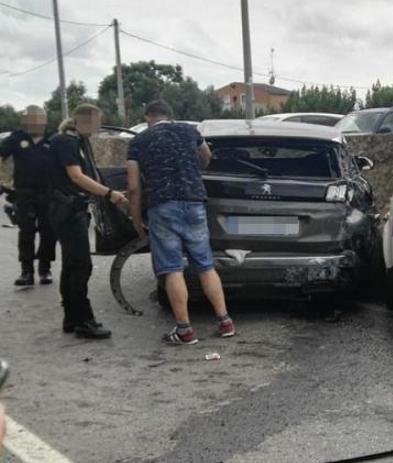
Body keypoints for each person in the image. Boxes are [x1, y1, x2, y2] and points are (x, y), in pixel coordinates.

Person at [127, 100, 235, 345]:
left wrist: (135, 220)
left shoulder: (138, 142)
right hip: (194, 202)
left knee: (172, 269)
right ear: (170, 115)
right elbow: (206, 157)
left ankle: (185, 330)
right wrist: (192, 169)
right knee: (205, 264)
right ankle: (225, 321)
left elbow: (133, 188)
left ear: (148, 118)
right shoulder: (190, 131)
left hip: (163, 207)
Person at [48, 104, 125, 339]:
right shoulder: (66, 142)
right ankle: (84, 321)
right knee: (81, 265)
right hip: (66, 210)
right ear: (87, 119)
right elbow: (76, 176)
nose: (100, 126)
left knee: (72, 264)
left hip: (71, 210)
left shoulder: (77, 141)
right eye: (98, 121)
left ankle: (71, 318)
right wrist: (109, 194)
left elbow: (88, 173)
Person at [0, 106, 57, 286]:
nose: (34, 123)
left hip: (49, 193)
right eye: (30, 119)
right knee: (26, 231)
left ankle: (45, 268)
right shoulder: (16, 138)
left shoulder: (53, 138)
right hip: (24, 192)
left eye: (37, 119)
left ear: (44, 121)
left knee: (49, 232)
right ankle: (27, 271)